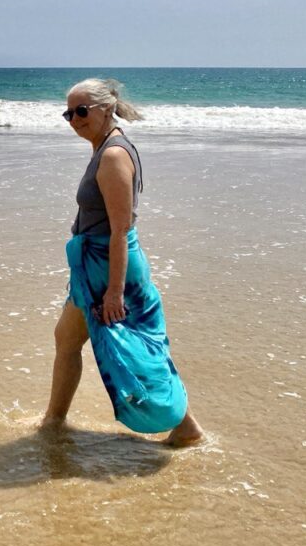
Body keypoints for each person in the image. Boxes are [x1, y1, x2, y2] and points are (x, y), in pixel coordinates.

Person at [41, 78, 204, 448]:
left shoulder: (113, 154)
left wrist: (114, 292)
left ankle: (187, 426)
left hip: (112, 269)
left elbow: (120, 230)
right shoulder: (102, 146)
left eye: (81, 111)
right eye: (68, 113)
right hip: (93, 266)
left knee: (138, 349)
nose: (74, 119)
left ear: (106, 108)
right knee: (67, 339)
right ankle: (54, 420)